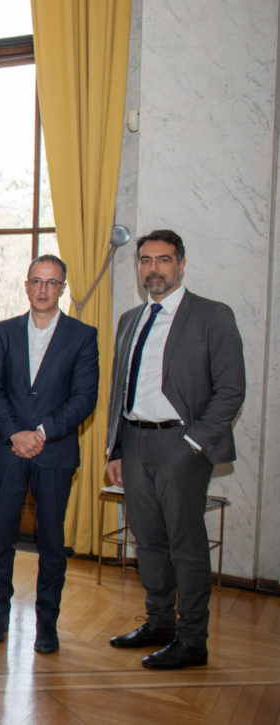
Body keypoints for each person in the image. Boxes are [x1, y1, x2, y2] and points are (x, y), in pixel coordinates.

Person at [104, 229, 245, 670]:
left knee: (186, 545)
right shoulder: (130, 319)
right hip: (135, 442)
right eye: (146, 260)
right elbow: (120, 390)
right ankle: (159, 623)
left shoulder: (212, 315)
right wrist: (115, 448)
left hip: (181, 445)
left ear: (181, 264)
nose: (154, 269)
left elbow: (231, 390)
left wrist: (193, 443)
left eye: (163, 260)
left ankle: (192, 640)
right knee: (148, 542)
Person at [0, 254, 98, 654]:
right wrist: (16, 433)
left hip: (54, 453)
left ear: (62, 288)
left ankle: (47, 622)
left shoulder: (83, 336)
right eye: (37, 281)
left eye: (52, 282)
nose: (43, 289)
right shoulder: (4, 331)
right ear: (26, 286)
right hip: (8, 449)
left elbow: (84, 397)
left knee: (50, 541)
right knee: (1, 536)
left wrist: (42, 433)